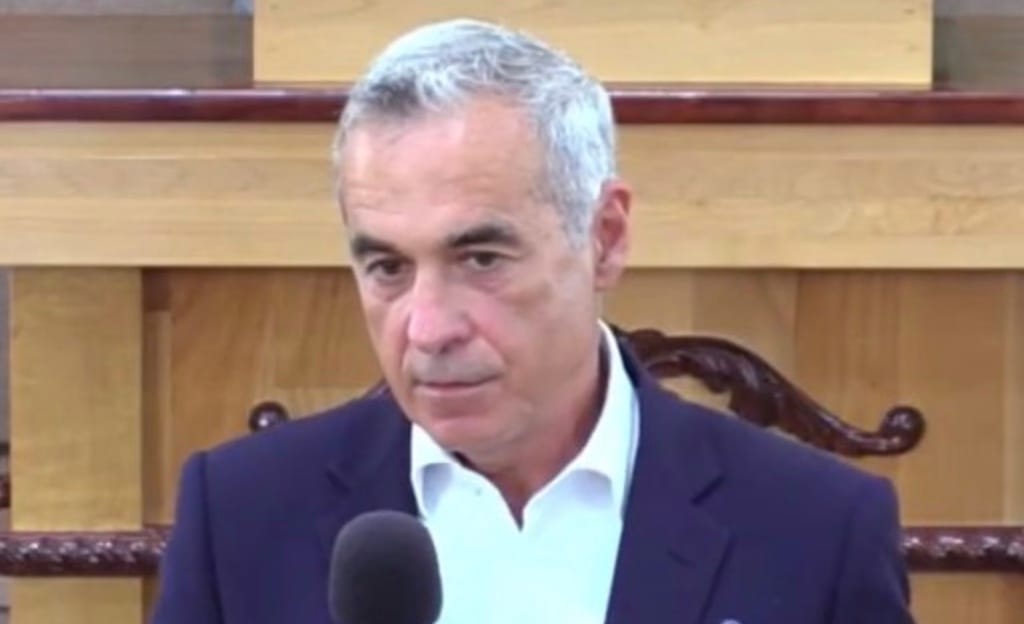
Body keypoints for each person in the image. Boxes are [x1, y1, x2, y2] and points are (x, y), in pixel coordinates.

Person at [151, 18, 914, 624]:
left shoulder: (817, 528)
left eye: (481, 259)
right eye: (388, 268)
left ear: (604, 238)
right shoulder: (241, 515)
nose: (428, 329)